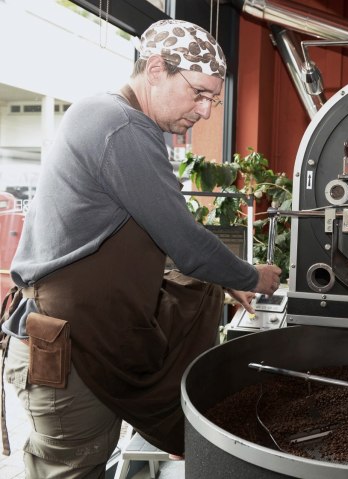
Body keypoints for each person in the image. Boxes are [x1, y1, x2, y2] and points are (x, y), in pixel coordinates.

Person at [0, 18, 281, 478]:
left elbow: (152, 236)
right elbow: (184, 241)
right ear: (155, 69)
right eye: (200, 93)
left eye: (214, 99)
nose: (206, 112)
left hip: (95, 342)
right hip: (69, 350)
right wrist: (253, 277)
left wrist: (219, 280)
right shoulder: (120, 126)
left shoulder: (114, 121)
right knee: (71, 468)